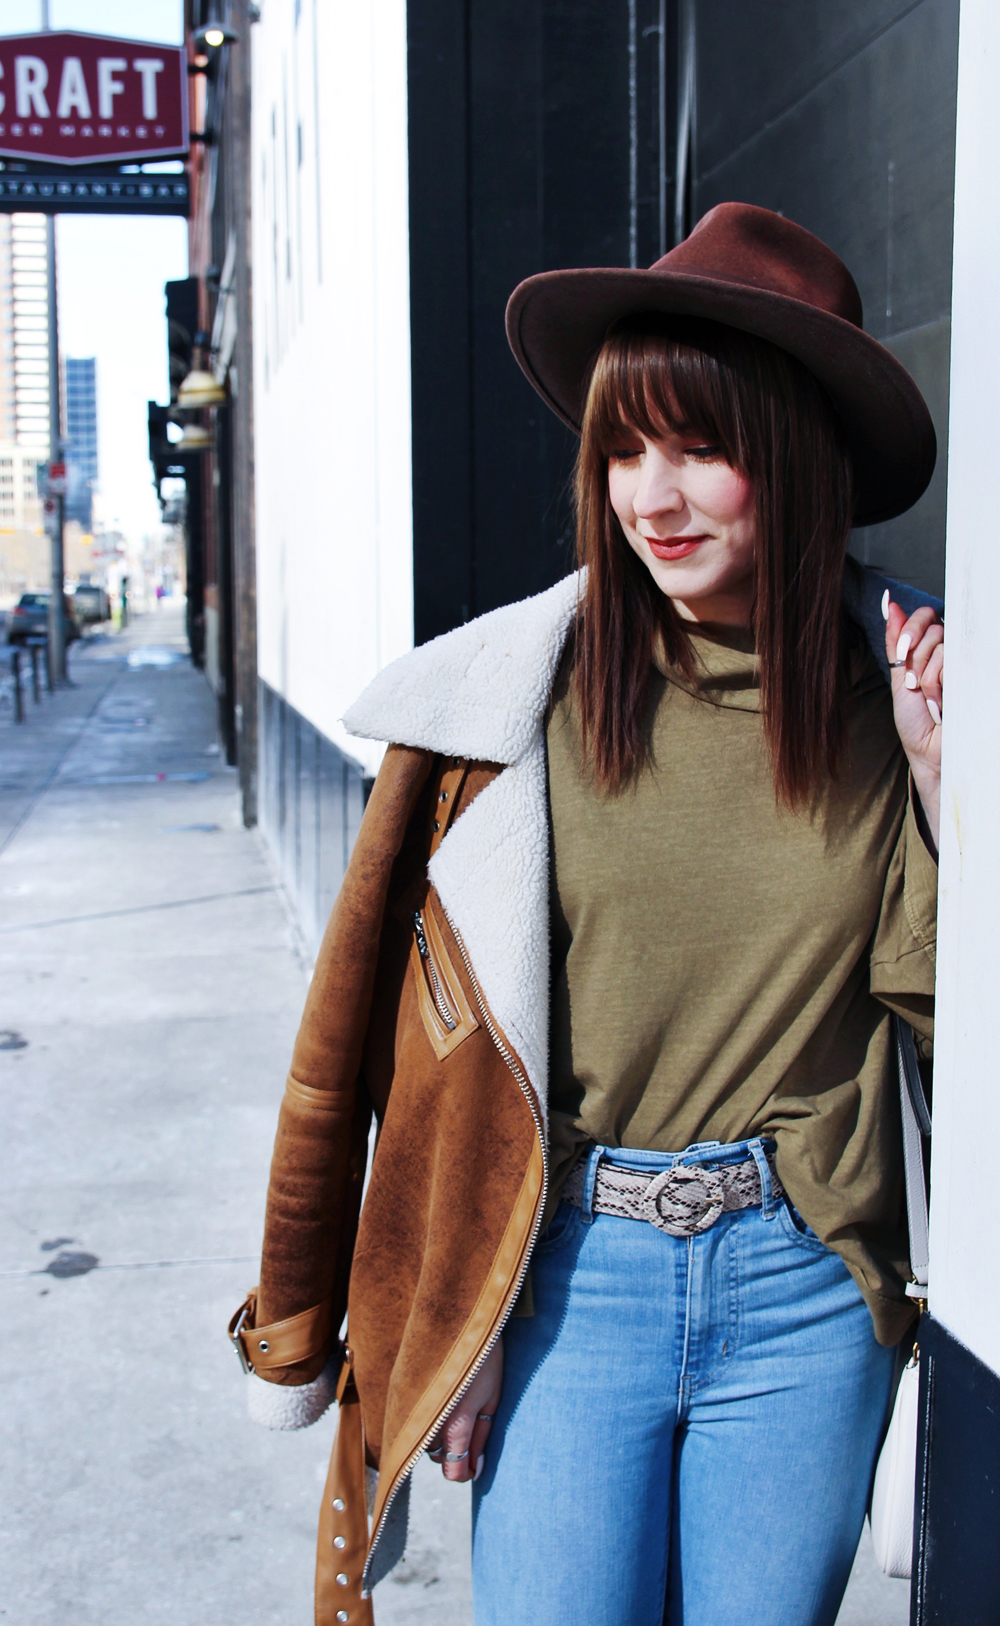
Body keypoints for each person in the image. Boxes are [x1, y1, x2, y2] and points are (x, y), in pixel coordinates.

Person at [230, 203, 943, 1626]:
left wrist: (945, 779)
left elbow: (955, 1022)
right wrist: (464, 1308)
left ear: (799, 457)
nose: (650, 496)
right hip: (567, 1278)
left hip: (805, 1284)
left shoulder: (901, 697)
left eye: (700, 448)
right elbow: (365, 1057)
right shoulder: (504, 710)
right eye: (623, 448)